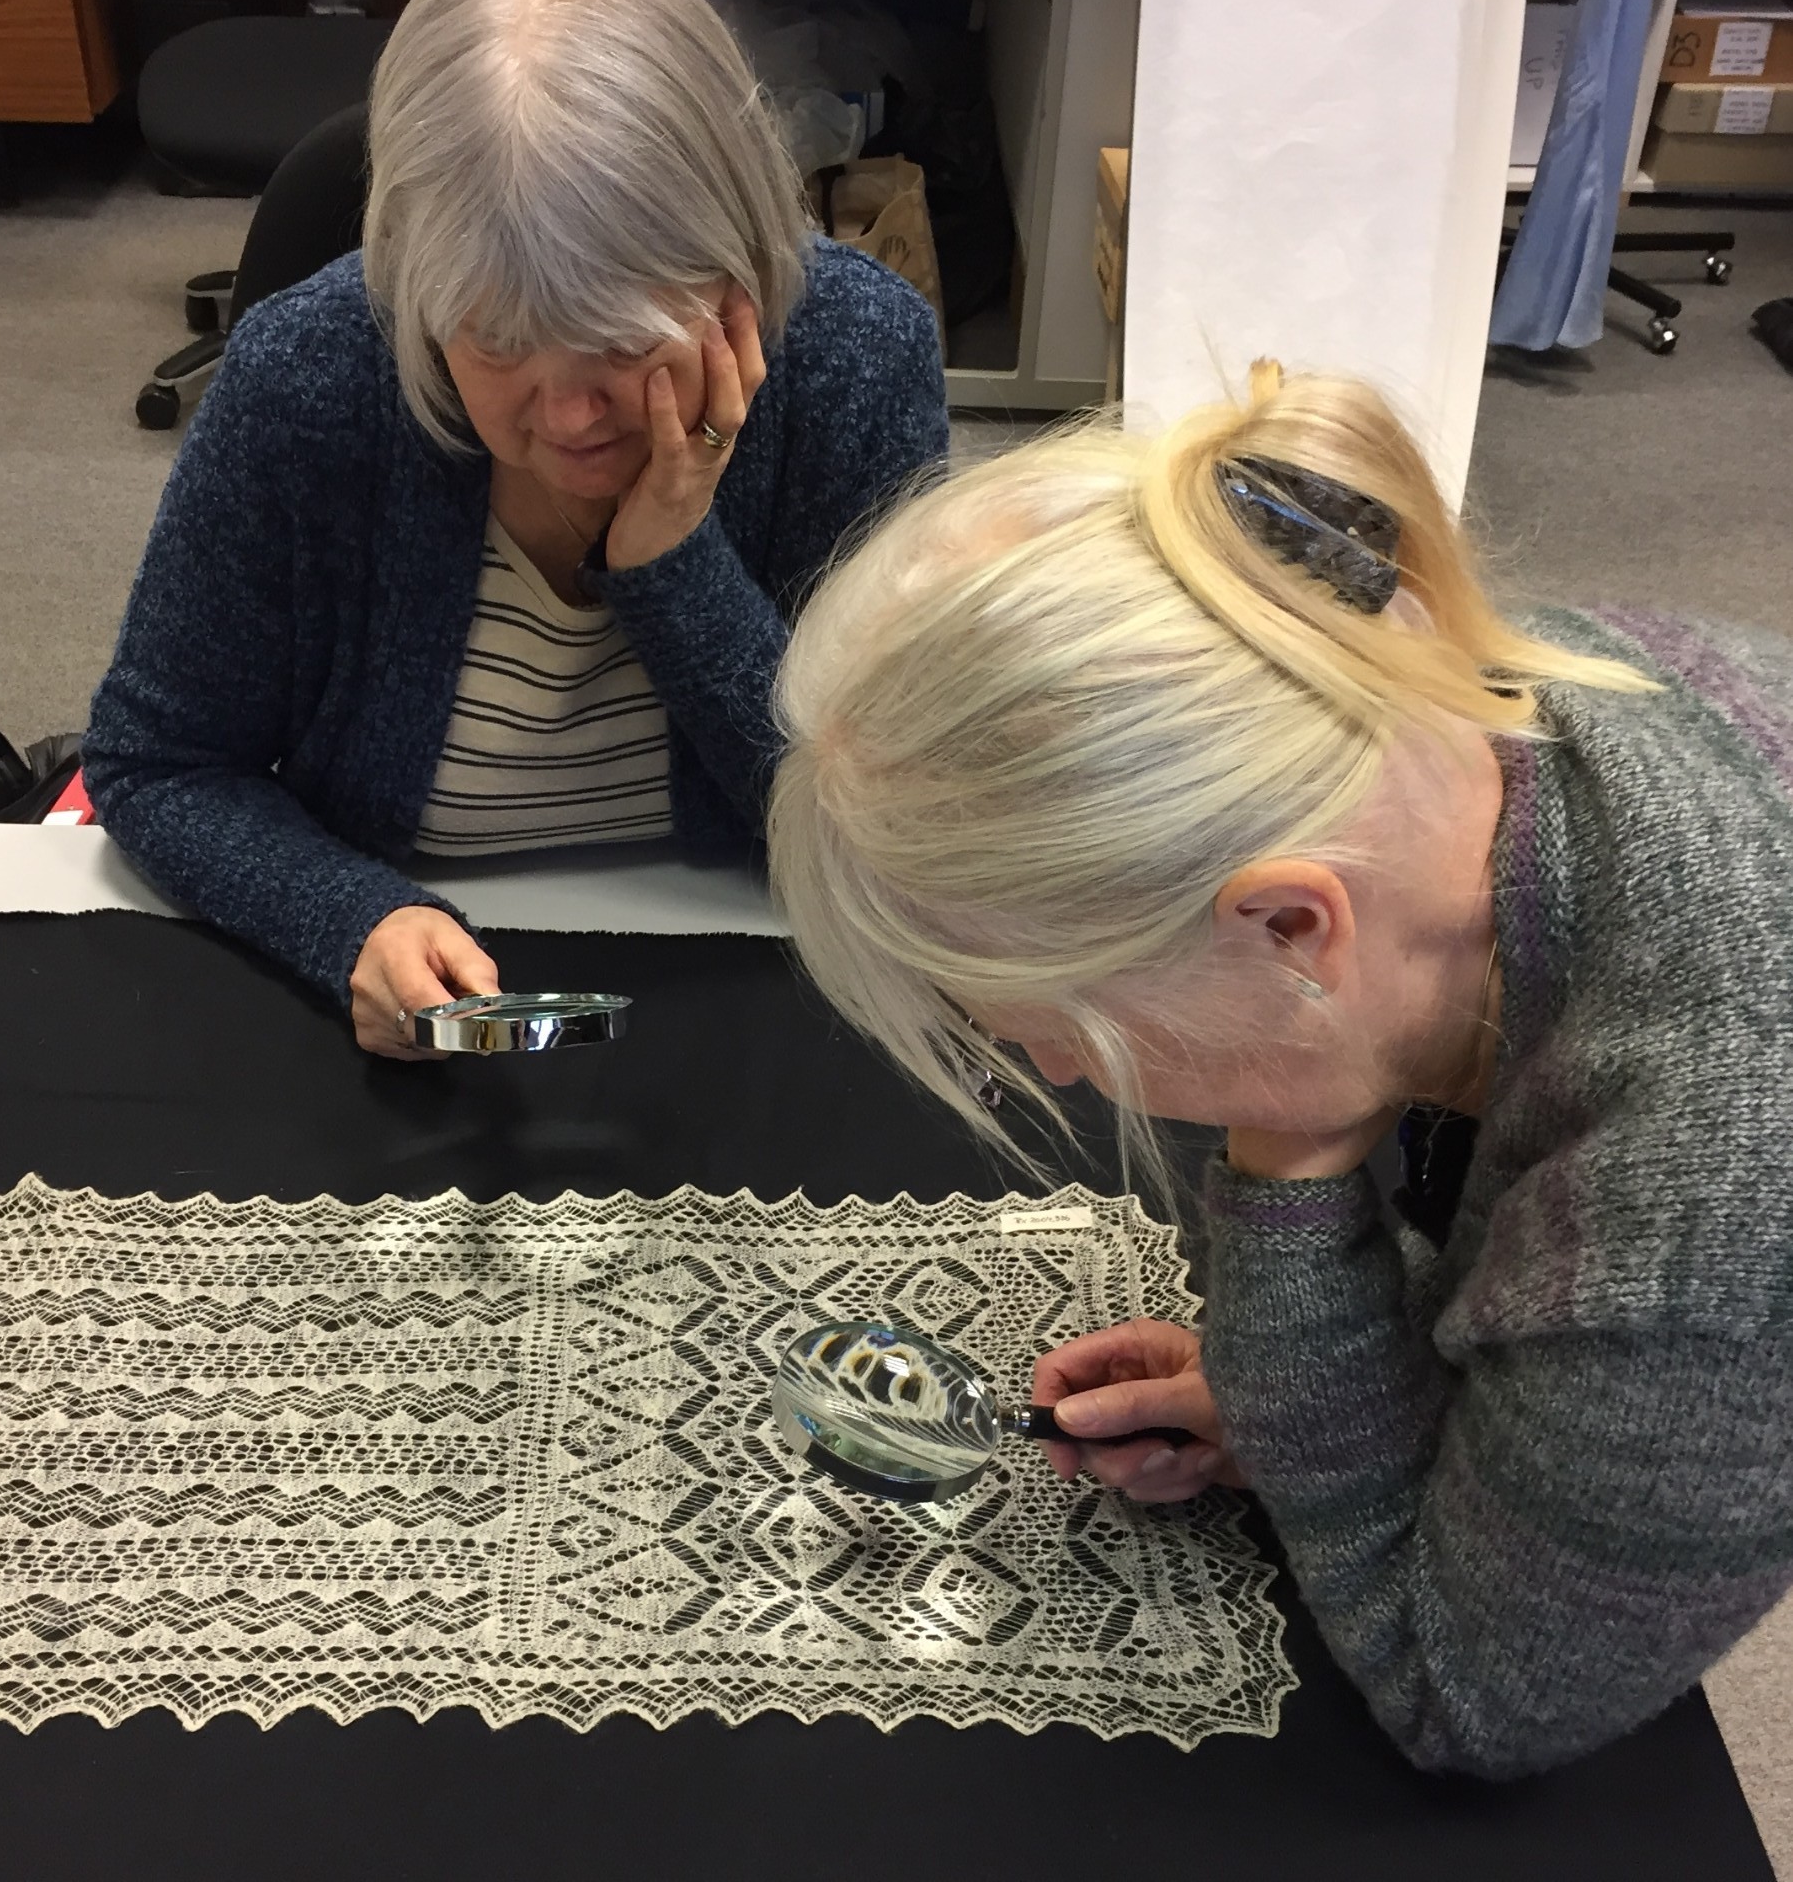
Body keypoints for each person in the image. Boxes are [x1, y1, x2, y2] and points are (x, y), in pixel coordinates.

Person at [767, 361, 1793, 1779]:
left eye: (1056, 1023)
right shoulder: (1429, 692)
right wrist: (1315, 1400)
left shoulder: (1709, 1191)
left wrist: (1294, 1176)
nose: (1064, 1070)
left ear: (1288, 924)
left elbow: (1480, 1692)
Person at [85, 0, 946, 1057]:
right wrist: (350, 914)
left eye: (619, 344)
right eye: (495, 344)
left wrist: (673, 557)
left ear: (734, 264)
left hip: (761, 994)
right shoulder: (311, 372)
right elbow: (158, 762)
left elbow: (887, 828)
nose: (569, 414)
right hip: (405, 1020)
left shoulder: (856, 355)